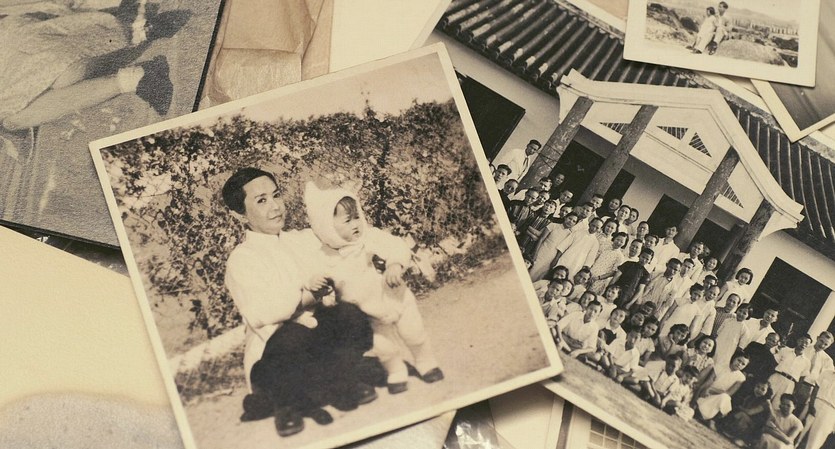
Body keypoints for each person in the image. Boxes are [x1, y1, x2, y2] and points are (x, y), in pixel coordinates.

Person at [222, 168, 378, 435]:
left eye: (276, 195)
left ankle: (337, 381)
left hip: (316, 338)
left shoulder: (302, 239)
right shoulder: (242, 259)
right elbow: (263, 312)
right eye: (261, 201)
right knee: (293, 336)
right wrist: (307, 296)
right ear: (240, 215)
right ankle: (287, 403)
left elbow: (336, 264)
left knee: (349, 315)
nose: (275, 206)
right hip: (281, 349)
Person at [303, 182, 444, 395]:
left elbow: (396, 245)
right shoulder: (323, 256)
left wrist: (394, 264)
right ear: (327, 227)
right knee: (383, 346)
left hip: (395, 296)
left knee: (413, 332)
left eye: (357, 217)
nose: (356, 224)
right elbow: (313, 274)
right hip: (368, 311)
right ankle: (396, 371)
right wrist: (314, 282)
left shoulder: (370, 237)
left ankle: (426, 362)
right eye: (347, 221)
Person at [0, 0, 189, 135]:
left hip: (18, 45)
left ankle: (136, 60)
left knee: (62, 78)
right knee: (15, 114)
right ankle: (137, 59)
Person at [694, 351, 750, 427]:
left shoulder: (741, 378)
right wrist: (700, 392)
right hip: (707, 394)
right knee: (702, 404)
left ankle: (712, 420)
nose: (739, 364)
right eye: (739, 360)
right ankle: (702, 414)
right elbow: (708, 382)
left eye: (743, 364)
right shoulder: (720, 366)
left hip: (719, 396)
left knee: (725, 398)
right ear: (734, 358)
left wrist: (711, 390)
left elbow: (729, 393)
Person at [717, 380, 773, 446]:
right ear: (754, 386)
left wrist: (739, 407)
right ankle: (728, 430)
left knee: (741, 415)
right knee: (738, 414)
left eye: (763, 389)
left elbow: (750, 412)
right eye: (758, 387)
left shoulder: (766, 402)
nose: (759, 390)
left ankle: (739, 437)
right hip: (746, 420)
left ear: (767, 392)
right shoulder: (750, 397)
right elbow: (744, 408)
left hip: (756, 426)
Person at [529, 213, 579, 282]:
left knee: (539, 277)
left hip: (551, 259)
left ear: (575, 224)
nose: (570, 221)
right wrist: (535, 253)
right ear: (565, 217)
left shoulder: (570, 235)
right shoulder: (553, 225)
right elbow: (541, 239)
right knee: (531, 271)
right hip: (541, 252)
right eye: (570, 218)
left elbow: (562, 249)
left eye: (574, 221)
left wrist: (555, 260)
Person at [767, 334, 812, 410]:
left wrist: (795, 390)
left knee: (777, 406)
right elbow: (773, 364)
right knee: (765, 398)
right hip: (777, 377)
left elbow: (801, 378)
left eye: (806, 343)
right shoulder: (785, 350)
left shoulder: (807, 362)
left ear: (808, 345)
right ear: (798, 340)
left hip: (790, 384)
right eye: (802, 341)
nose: (803, 344)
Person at [797, 332, 835, 419]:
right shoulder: (804, 349)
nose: (822, 345)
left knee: (798, 412)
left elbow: (829, 377)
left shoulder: (827, 360)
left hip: (808, 388)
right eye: (821, 341)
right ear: (817, 338)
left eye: (826, 344)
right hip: (795, 381)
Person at [803, 368, 835, 449]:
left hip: (830, 412)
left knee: (815, 440)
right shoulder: (826, 373)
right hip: (816, 403)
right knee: (801, 431)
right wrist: (811, 404)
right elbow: (816, 388)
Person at [714, 304, 752, 371]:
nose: (741, 314)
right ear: (737, 310)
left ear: (748, 316)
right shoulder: (727, 320)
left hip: (728, 352)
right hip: (717, 345)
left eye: (744, 313)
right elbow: (718, 333)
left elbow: (740, 348)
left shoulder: (745, 330)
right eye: (740, 311)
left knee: (717, 367)